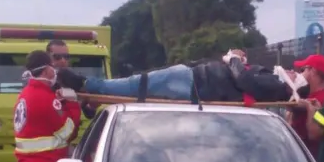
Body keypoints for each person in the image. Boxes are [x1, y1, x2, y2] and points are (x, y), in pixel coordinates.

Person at [54, 49, 291, 104]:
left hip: (193, 83)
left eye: (304, 70)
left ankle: (89, 85)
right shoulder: (273, 78)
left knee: (137, 85)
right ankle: (90, 87)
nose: (297, 71)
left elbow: (244, 81)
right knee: (138, 84)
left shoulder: (280, 86)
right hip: (194, 79)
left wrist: (234, 60)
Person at [286, 54, 324, 157]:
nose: (300, 74)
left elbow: (314, 135)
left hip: (309, 156)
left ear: (313, 71)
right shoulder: (306, 94)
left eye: (303, 70)